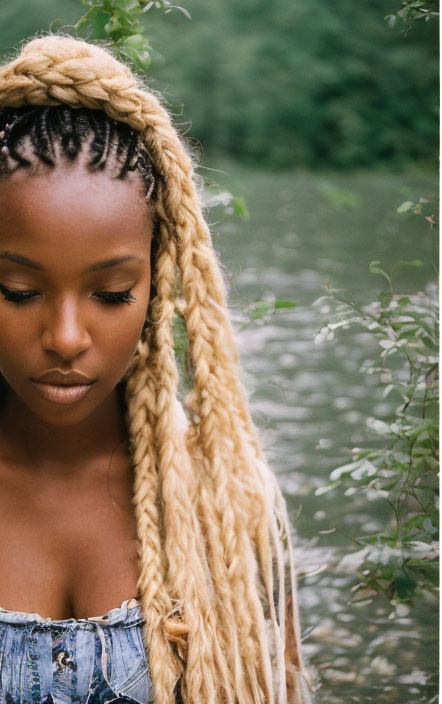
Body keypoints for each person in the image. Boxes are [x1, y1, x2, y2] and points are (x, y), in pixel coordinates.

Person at [0, 36, 315, 703]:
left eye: (111, 293)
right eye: (18, 291)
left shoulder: (223, 501)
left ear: (157, 287)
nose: (65, 337)